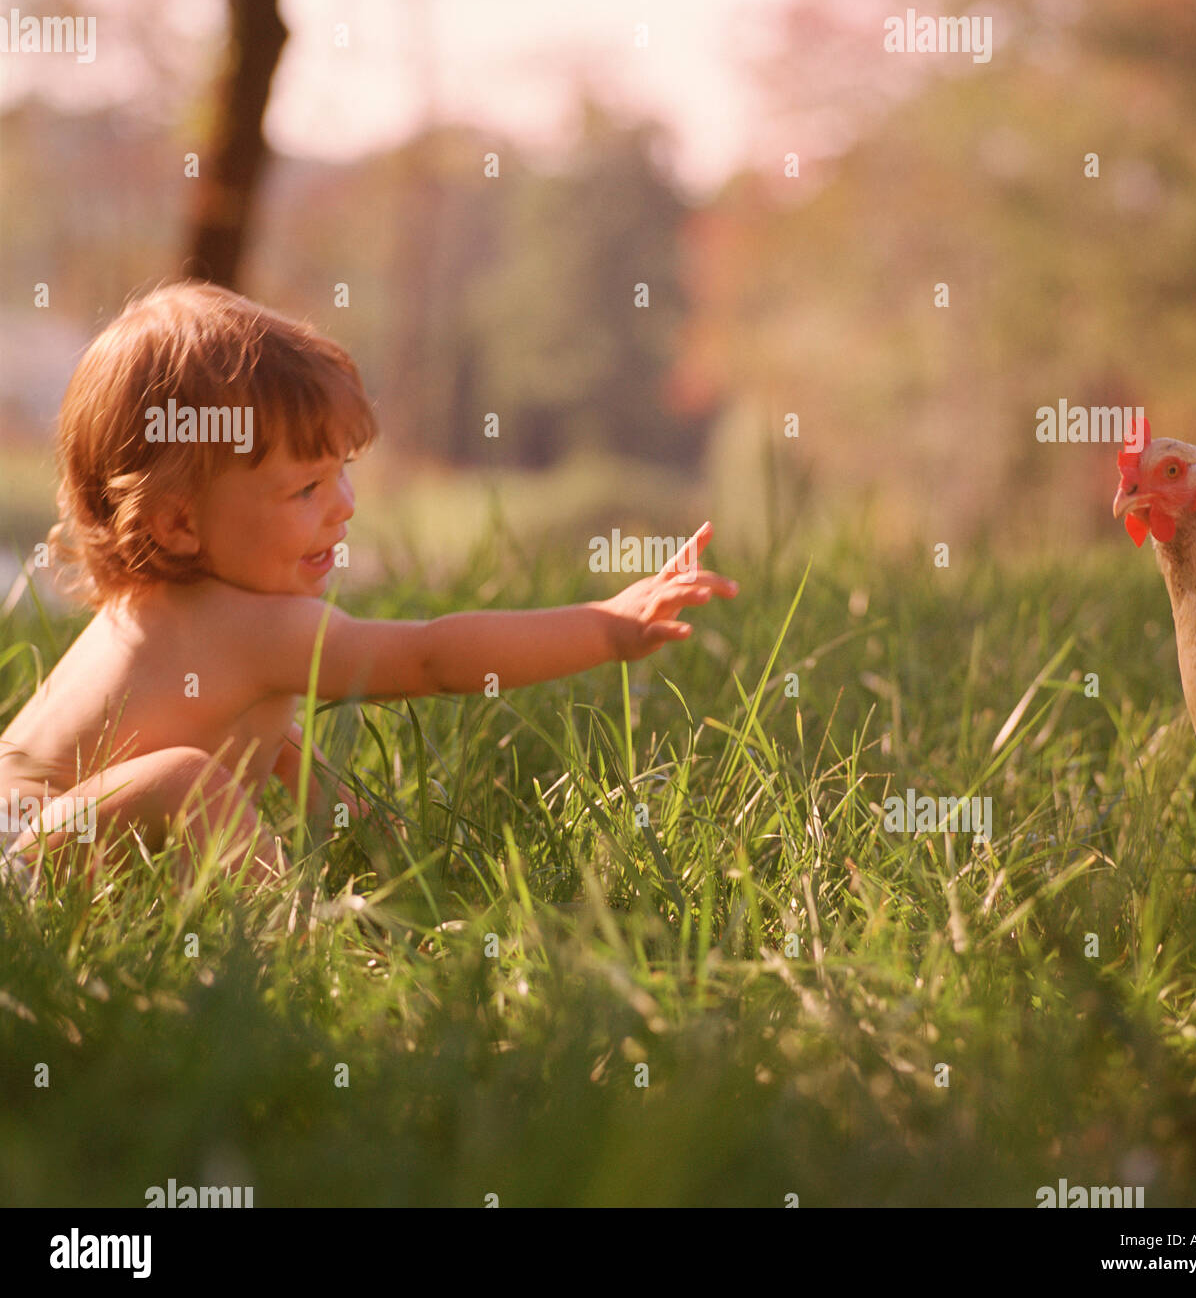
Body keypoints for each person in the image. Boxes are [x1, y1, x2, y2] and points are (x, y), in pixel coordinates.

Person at [0, 283, 737, 887]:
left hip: (23, 830)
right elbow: (432, 659)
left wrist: (373, 833)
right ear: (180, 524)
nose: (345, 505)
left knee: (233, 753)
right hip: (18, 860)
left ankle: (367, 876)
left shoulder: (172, 615)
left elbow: (267, 740)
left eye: (341, 473)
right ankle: (290, 952)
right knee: (186, 780)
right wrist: (604, 626)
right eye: (306, 489)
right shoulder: (256, 628)